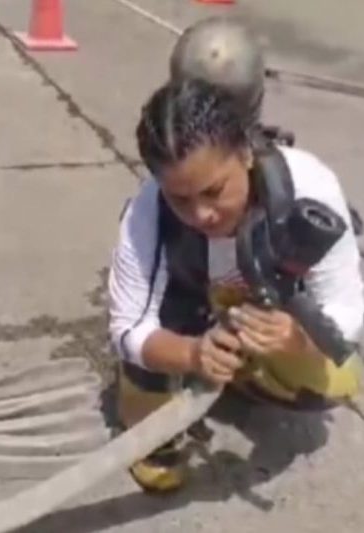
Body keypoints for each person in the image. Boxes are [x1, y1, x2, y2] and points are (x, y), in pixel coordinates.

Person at [108, 77, 364, 493]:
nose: (201, 214)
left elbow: (347, 307)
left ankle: (244, 373)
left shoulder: (307, 186)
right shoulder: (147, 214)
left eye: (214, 191)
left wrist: (296, 338)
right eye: (180, 198)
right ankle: (151, 413)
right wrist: (190, 354)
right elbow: (126, 329)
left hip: (261, 311)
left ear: (245, 153)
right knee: (149, 374)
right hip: (184, 315)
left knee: (336, 380)